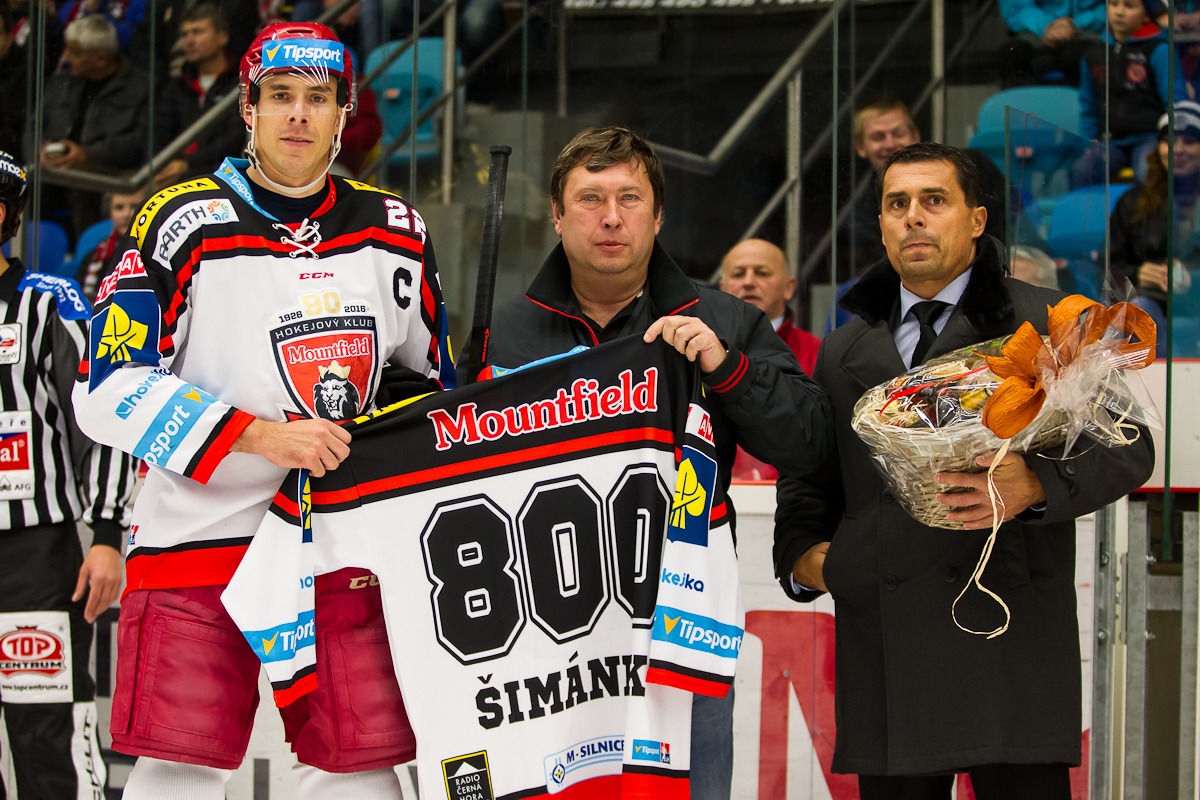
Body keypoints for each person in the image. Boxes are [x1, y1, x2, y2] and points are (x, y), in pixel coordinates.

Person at [71, 22, 456, 799]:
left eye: (319, 98)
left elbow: (433, 386)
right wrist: (260, 437)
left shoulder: (395, 231)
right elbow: (107, 387)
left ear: (344, 113)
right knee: (180, 769)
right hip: (200, 538)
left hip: (341, 542)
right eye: (279, 96)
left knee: (358, 769)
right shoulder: (178, 221)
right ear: (247, 108)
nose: (299, 115)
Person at [774, 141, 1155, 799]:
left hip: (1008, 638)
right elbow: (811, 476)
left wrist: (1036, 484)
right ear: (882, 224)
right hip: (888, 650)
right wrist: (809, 559)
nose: (914, 217)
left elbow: (1129, 444)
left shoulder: (1045, 319)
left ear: (976, 220)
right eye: (897, 204)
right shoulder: (841, 349)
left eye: (934, 200)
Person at [483, 125, 834, 800]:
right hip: (540, 643)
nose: (611, 217)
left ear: (658, 214)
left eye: (629, 198)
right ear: (556, 214)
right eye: (590, 198)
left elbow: (810, 442)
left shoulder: (725, 320)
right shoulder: (500, 334)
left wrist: (727, 369)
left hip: (682, 631)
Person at [0, 149, 137, 799]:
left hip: (36, 549)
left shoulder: (50, 303)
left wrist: (107, 534)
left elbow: (102, 418)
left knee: (47, 735)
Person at [26, 13, 149, 237]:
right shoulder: (62, 81)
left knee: (81, 181)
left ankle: (87, 251)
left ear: (100, 59)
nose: (67, 57)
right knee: (22, 178)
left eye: (75, 53)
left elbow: (139, 140)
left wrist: (85, 154)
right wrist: (39, 151)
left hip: (107, 168)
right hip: (52, 164)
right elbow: (34, 126)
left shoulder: (140, 87)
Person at [718, 237, 820, 481]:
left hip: (791, 493)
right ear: (722, 288)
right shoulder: (694, 349)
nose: (749, 282)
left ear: (789, 287)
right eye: (738, 274)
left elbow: (819, 441)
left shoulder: (817, 352)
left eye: (762, 273)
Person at [1109, 99, 1200, 348]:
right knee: (1138, 312)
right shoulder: (1132, 202)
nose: (1178, 149)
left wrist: (1191, 276)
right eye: (1169, 141)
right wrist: (1137, 273)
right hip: (1151, 301)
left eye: (1189, 141)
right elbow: (1107, 267)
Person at [1072, 0, 1188, 187]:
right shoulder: (1093, 53)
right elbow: (1089, 107)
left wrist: (1171, 142)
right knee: (1082, 170)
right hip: (1109, 141)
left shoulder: (1160, 49)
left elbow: (1175, 102)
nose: (1119, 12)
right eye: (1114, 4)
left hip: (1150, 138)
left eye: (1129, 6)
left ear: (1146, 15)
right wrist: (1089, 145)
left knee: (1148, 172)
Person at [152, 2, 244, 188]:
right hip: (172, 172)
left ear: (222, 37)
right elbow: (158, 132)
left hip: (222, 176)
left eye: (198, 32)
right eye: (185, 34)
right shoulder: (177, 84)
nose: (189, 40)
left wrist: (188, 164)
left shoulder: (239, 83)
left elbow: (233, 139)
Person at [997, 0, 1105, 87]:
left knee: (1084, 57)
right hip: (1036, 29)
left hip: (1089, 30)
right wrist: (1047, 26)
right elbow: (1015, 9)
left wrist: (1076, 24)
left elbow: (1109, 7)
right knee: (1013, 54)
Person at [74, 183, 146, 303]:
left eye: (134, 206)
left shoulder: (156, 252)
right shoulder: (94, 256)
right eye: (119, 208)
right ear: (110, 213)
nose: (126, 214)